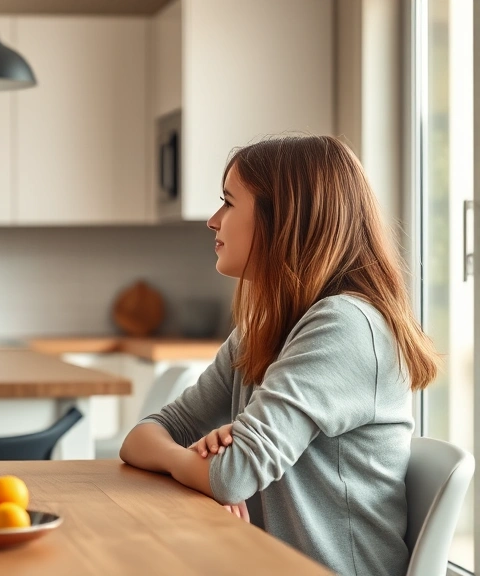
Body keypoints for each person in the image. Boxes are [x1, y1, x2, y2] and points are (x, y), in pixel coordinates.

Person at [119, 135, 439, 575]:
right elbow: (145, 435)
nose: (213, 221)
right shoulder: (263, 329)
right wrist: (196, 462)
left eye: (228, 203)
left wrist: (209, 469)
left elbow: (232, 475)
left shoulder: (345, 326)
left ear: (282, 219)